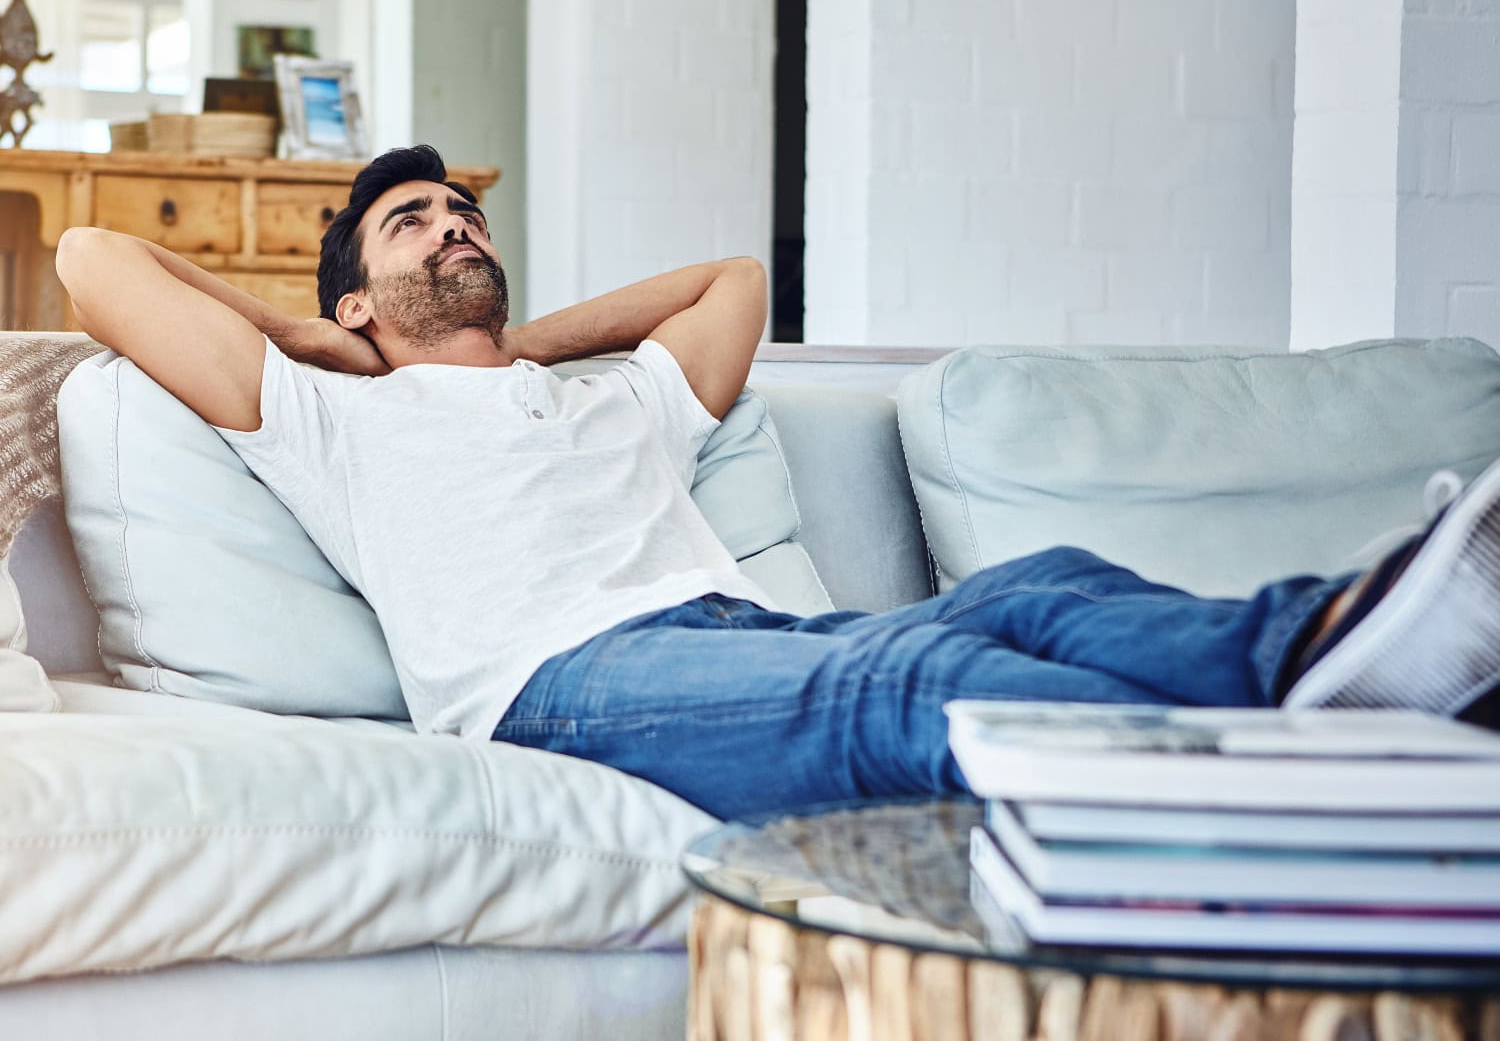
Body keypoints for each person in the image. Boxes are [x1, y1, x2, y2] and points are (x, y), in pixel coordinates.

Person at [55, 145, 1500, 821]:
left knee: (1037, 589)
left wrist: (514, 341)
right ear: (356, 304)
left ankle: (1336, 645)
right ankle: (1351, 794)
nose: (449, 230)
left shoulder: (609, 396)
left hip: (739, 637)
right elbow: (90, 261)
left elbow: (732, 281)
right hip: (561, 681)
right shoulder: (323, 413)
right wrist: (313, 336)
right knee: (913, 691)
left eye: (465, 216)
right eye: (412, 225)